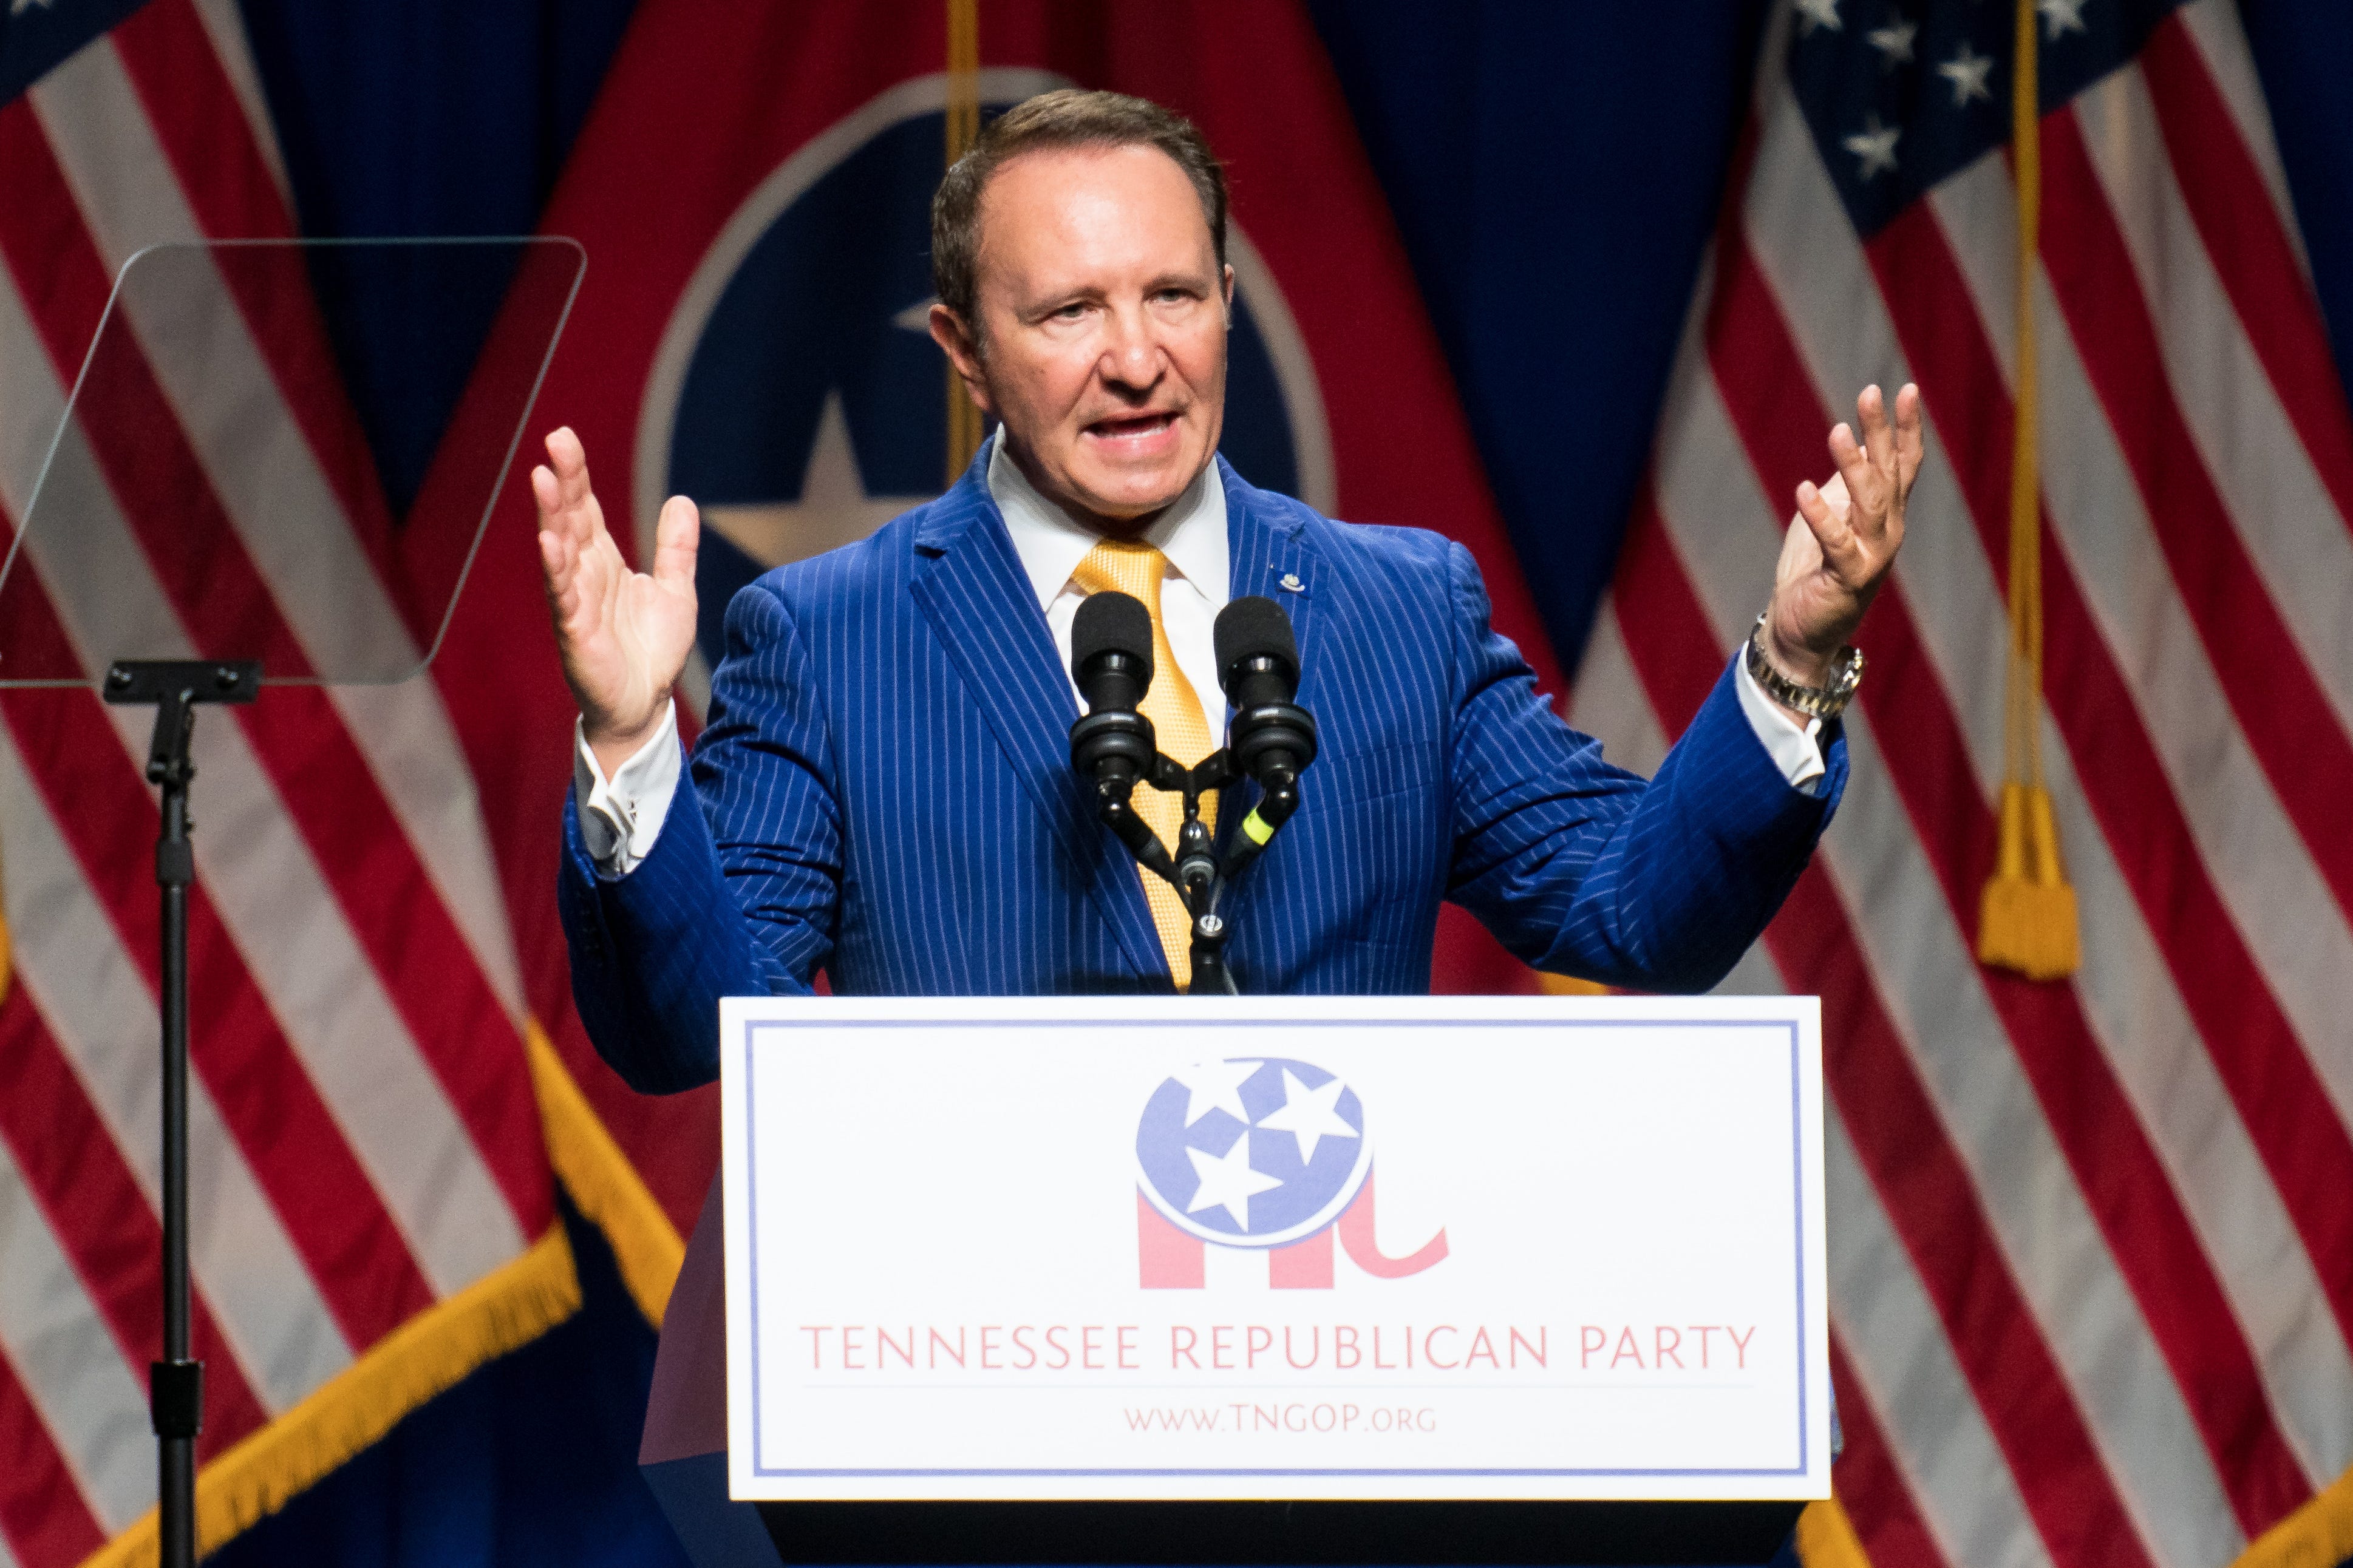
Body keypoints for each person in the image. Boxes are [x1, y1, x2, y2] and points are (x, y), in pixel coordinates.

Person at [536, 89, 1921, 1094]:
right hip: (989, 1371)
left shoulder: (1402, 609)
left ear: (1229, 300)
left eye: (1173, 297)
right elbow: (697, 1034)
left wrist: (1794, 663)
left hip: (1333, 1361)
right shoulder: (828, 638)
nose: (1137, 359)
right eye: (1070, 311)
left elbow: (1636, 909)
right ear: (964, 351)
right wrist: (632, 741)